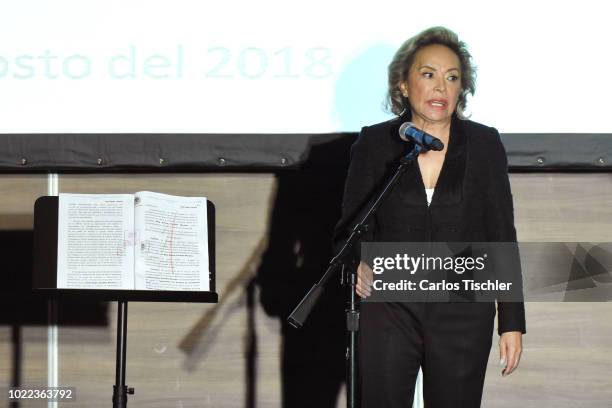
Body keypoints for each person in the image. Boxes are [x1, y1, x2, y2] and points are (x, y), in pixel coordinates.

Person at [333, 26, 526, 408]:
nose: (441, 87)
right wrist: (356, 262)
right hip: (389, 306)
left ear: (461, 90)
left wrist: (511, 320)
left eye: (452, 78)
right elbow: (350, 228)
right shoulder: (375, 143)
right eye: (428, 74)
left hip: (464, 309)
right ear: (403, 86)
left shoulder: (484, 144)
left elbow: (501, 232)